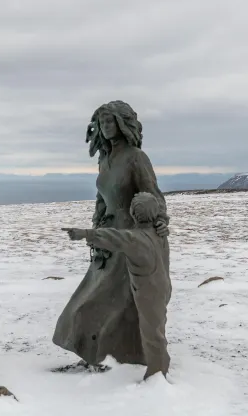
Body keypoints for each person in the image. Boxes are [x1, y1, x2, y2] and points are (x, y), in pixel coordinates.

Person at [52, 100, 169, 370]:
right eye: (102, 123)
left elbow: (153, 195)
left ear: (122, 124)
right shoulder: (105, 160)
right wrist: (96, 223)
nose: (105, 127)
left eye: (109, 122)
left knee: (114, 299)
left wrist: (160, 221)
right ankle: (107, 353)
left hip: (130, 235)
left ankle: (125, 356)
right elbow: (102, 197)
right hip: (107, 237)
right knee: (95, 294)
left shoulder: (136, 158)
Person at [62, 192, 171, 380]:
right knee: (156, 328)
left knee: (152, 333)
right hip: (161, 287)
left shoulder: (135, 239)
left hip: (148, 293)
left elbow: (113, 237)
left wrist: (84, 234)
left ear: (134, 215)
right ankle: (158, 369)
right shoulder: (158, 233)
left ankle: (157, 376)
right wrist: (162, 222)